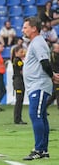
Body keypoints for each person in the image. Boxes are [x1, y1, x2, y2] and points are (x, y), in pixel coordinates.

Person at [22, 16, 59, 160]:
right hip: (36, 85)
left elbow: (44, 62)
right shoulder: (35, 42)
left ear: (33, 28)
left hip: (39, 85)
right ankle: (43, 150)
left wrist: (51, 76)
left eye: (25, 27)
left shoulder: (38, 43)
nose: (23, 30)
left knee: (35, 114)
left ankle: (38, 150)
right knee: (41, 116)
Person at [11, 45, 27, 124]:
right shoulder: (17, 60)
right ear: (16, 52)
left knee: (20, 100)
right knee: (19, 100)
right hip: (18, 82)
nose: (23, 53)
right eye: (21, 52)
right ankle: (17, 119)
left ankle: (18, 118)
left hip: (19, 81)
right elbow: (23, 69)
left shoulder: (17, 60)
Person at [46, 43, 59, 109]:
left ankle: (44, 107)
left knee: (54, 94)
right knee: (57, 91)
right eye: (57, 48)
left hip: (56, 75)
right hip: (56, 76)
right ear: (54, 49)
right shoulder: (53, 55)